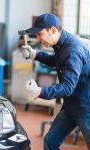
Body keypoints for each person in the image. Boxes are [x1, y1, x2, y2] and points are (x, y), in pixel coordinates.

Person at [21, 13, 90, 150]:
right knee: (50, 142)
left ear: (52, 30)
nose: (38, 39)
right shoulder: (61, 43)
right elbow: (57, 61)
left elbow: (67, 87)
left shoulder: (73, 50)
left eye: (40, 34)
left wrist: (40, 91)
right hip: (71, 105)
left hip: (86, 107)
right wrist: (36, 55)